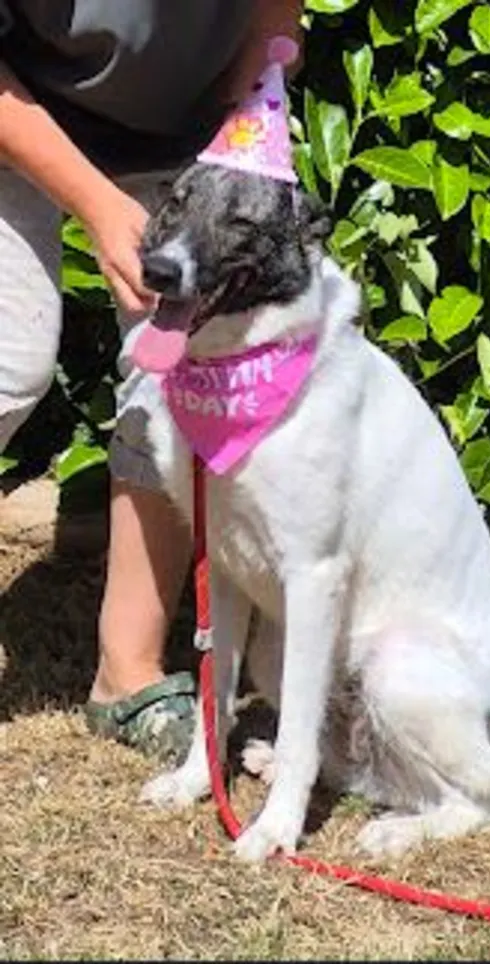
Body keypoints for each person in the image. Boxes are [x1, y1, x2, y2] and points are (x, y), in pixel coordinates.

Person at [0, 1, 303, 760]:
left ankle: (127, 675)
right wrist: (98, 204)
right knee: (8, 361)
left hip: (186, 127)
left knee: (189, 369)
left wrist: (245, 115)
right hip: (13, 103)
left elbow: (276, 15)